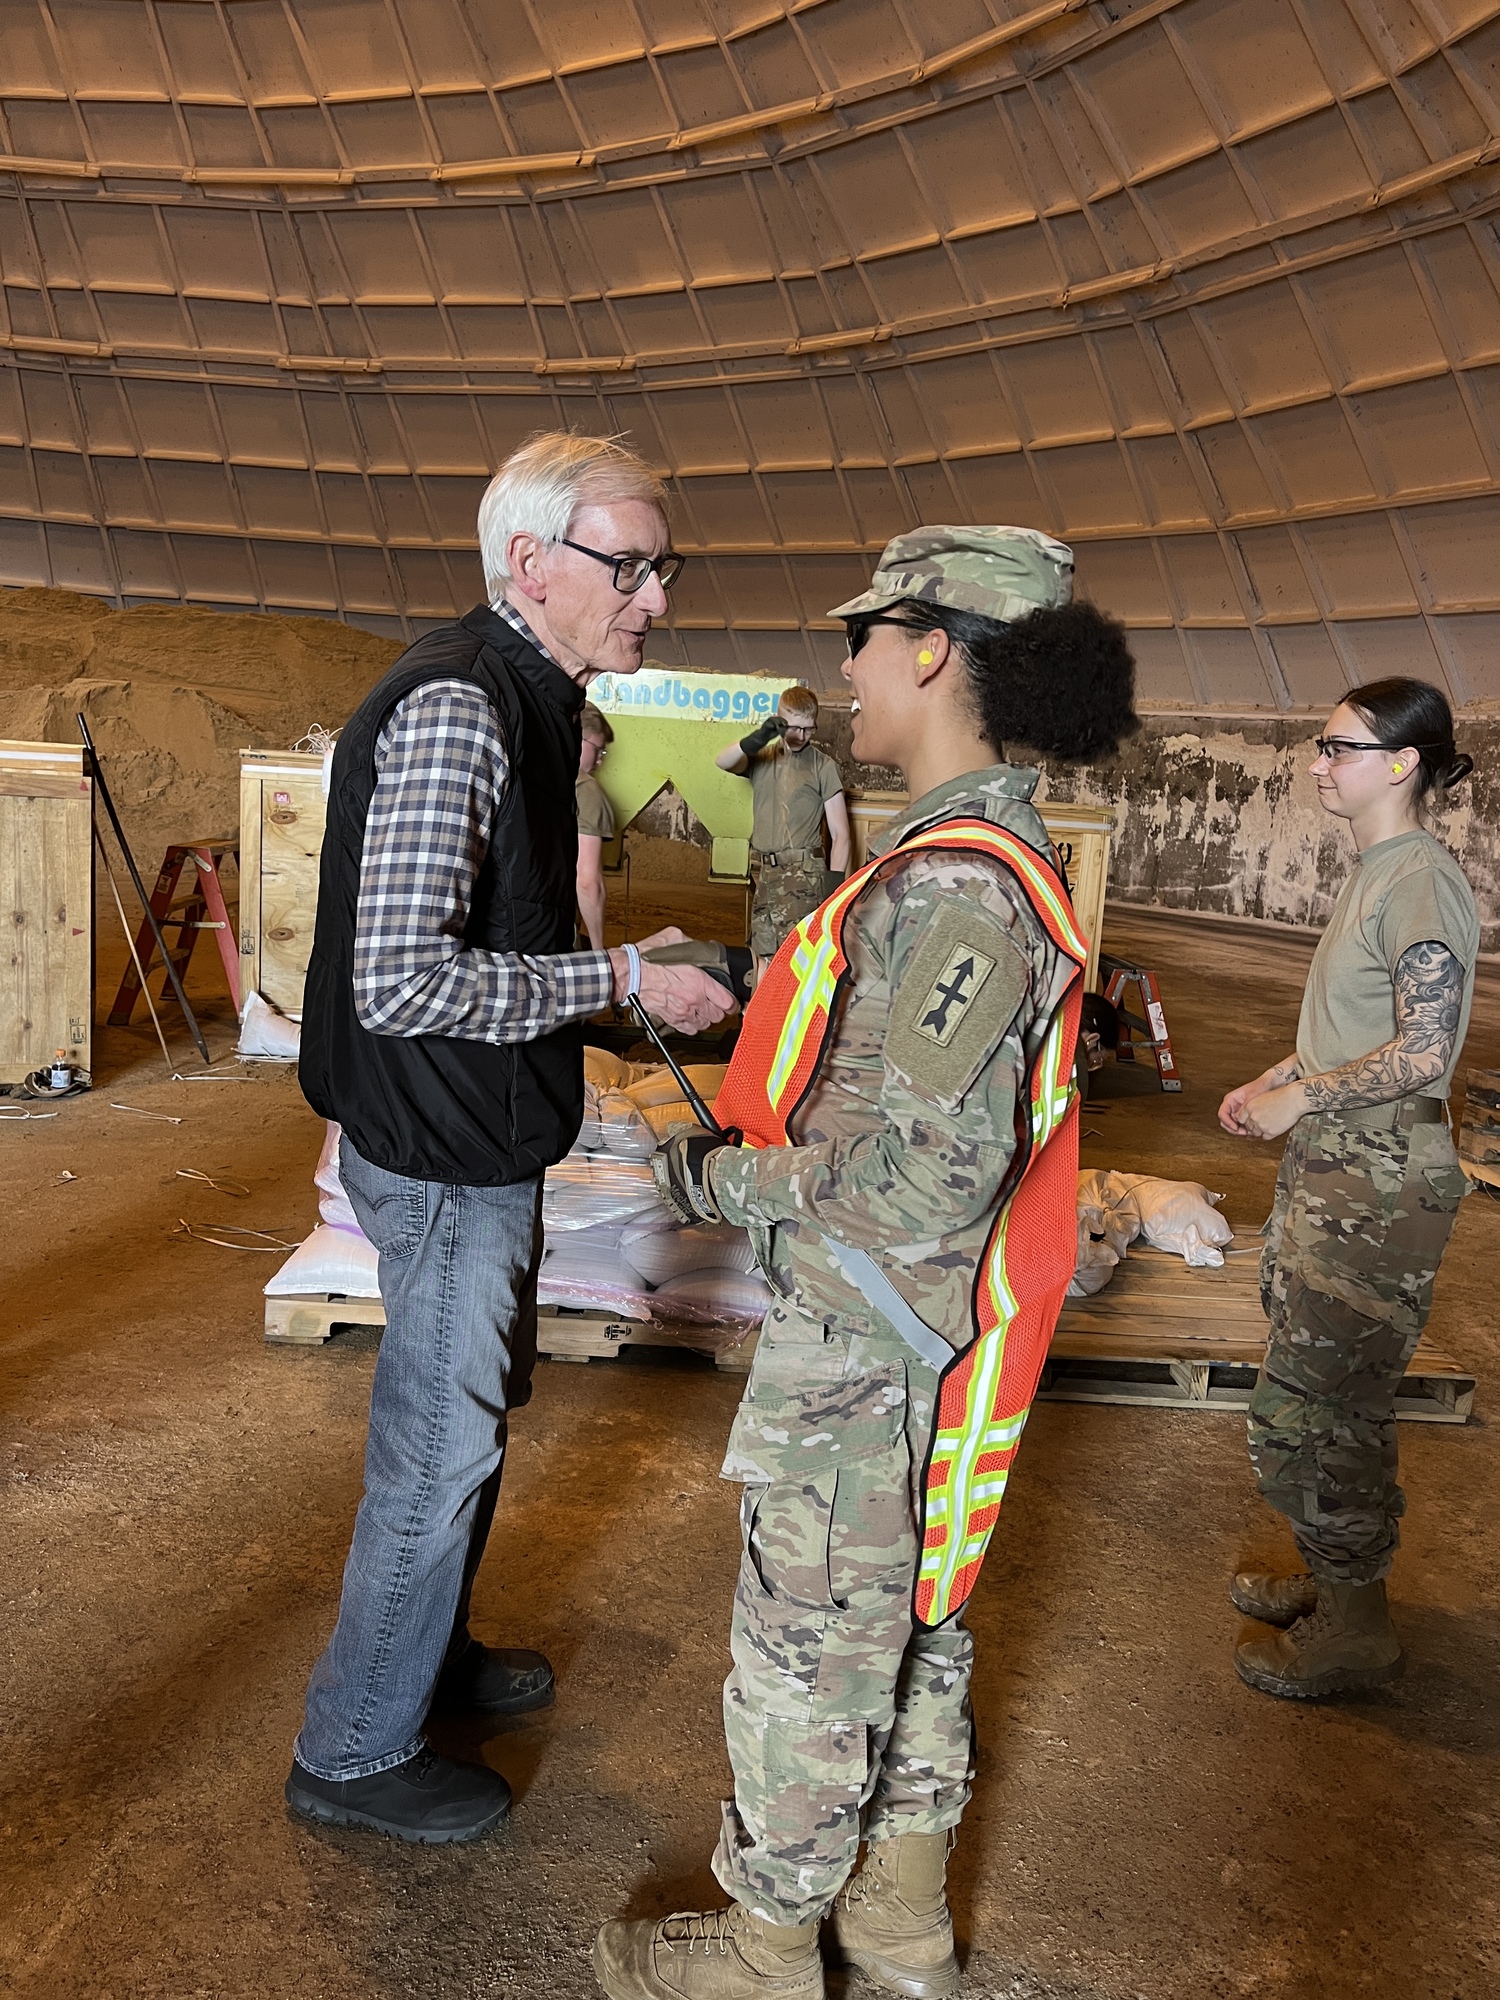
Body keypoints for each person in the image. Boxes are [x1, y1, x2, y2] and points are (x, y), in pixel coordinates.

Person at [593, 527, 1138, 2000]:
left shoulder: (959, 886)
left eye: (862, 638)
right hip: (929, 1335)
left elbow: (926, 1182)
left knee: (811, 1652)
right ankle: (897, 1926)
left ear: (933, 649)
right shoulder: (972, 860)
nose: (842, 669)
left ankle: (768, 1949)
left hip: (872, 1339)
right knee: (915, 1621)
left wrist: (723, 1174)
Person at [291, 431, 736, 1844]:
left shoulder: (537, 701)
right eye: (629, 565)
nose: (655, 595)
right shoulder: (461, 709)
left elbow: (502, 935)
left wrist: (625, 971)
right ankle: (353, 1751)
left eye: (662, 566)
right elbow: (402, 977)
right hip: (436, 1153)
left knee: (463, 1424)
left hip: (473, 1133)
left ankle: (418, 1664)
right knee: (438, 1450)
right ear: (529, 562)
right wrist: (620, 983)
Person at [1219, 678, 1477, 1700]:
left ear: (1403, 762)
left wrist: (1308, 1095)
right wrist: (1280, 1079)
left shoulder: (1416, 879)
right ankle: (1341, 1581)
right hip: (1342, 1165)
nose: (1320, 762)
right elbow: (1360, 1022)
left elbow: (1423, 1050)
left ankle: (1357, 1622)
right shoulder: (1379, 870)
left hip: (1377, 1177)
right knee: (1337, 1402)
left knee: (1304, 1414)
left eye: (1339, 746)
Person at [715, 686, 851, 960]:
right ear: (778, 721)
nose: (801, 736)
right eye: (793, 728)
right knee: (761, 956)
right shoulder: (763, 757)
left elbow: (841, 834)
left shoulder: (822, 766)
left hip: (802, 876)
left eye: (808, 729)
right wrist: (758, 738)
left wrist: (833, 893)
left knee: (798, 959)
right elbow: (723, 761)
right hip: (763, 873)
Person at [576, 702, 616, 950]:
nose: (600, 761)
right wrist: (599, 952)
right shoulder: (586, 790)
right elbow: (587, 881)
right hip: (549, 932)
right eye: (599, 750)